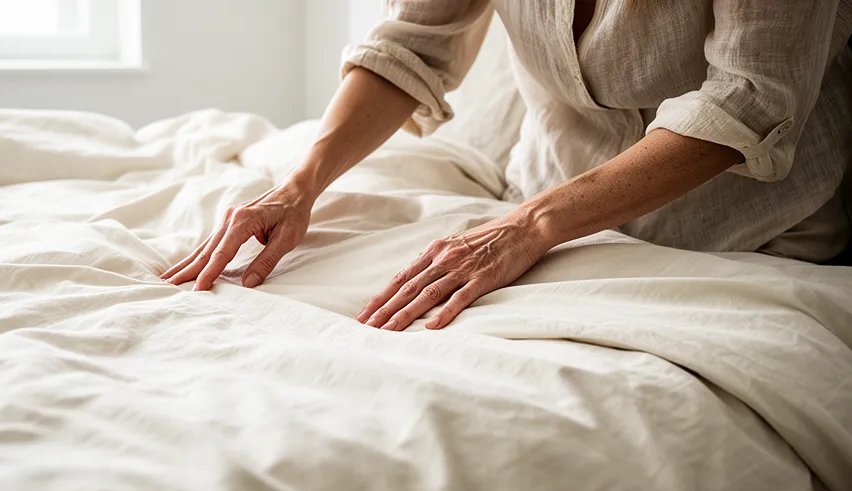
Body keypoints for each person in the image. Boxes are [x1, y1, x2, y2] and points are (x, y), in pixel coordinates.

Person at [163, 0, 852, 331]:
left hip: (744, 237)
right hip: (541, 198)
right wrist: (298, 186)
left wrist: (527, 228)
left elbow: (747, 99)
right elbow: (412, 44)